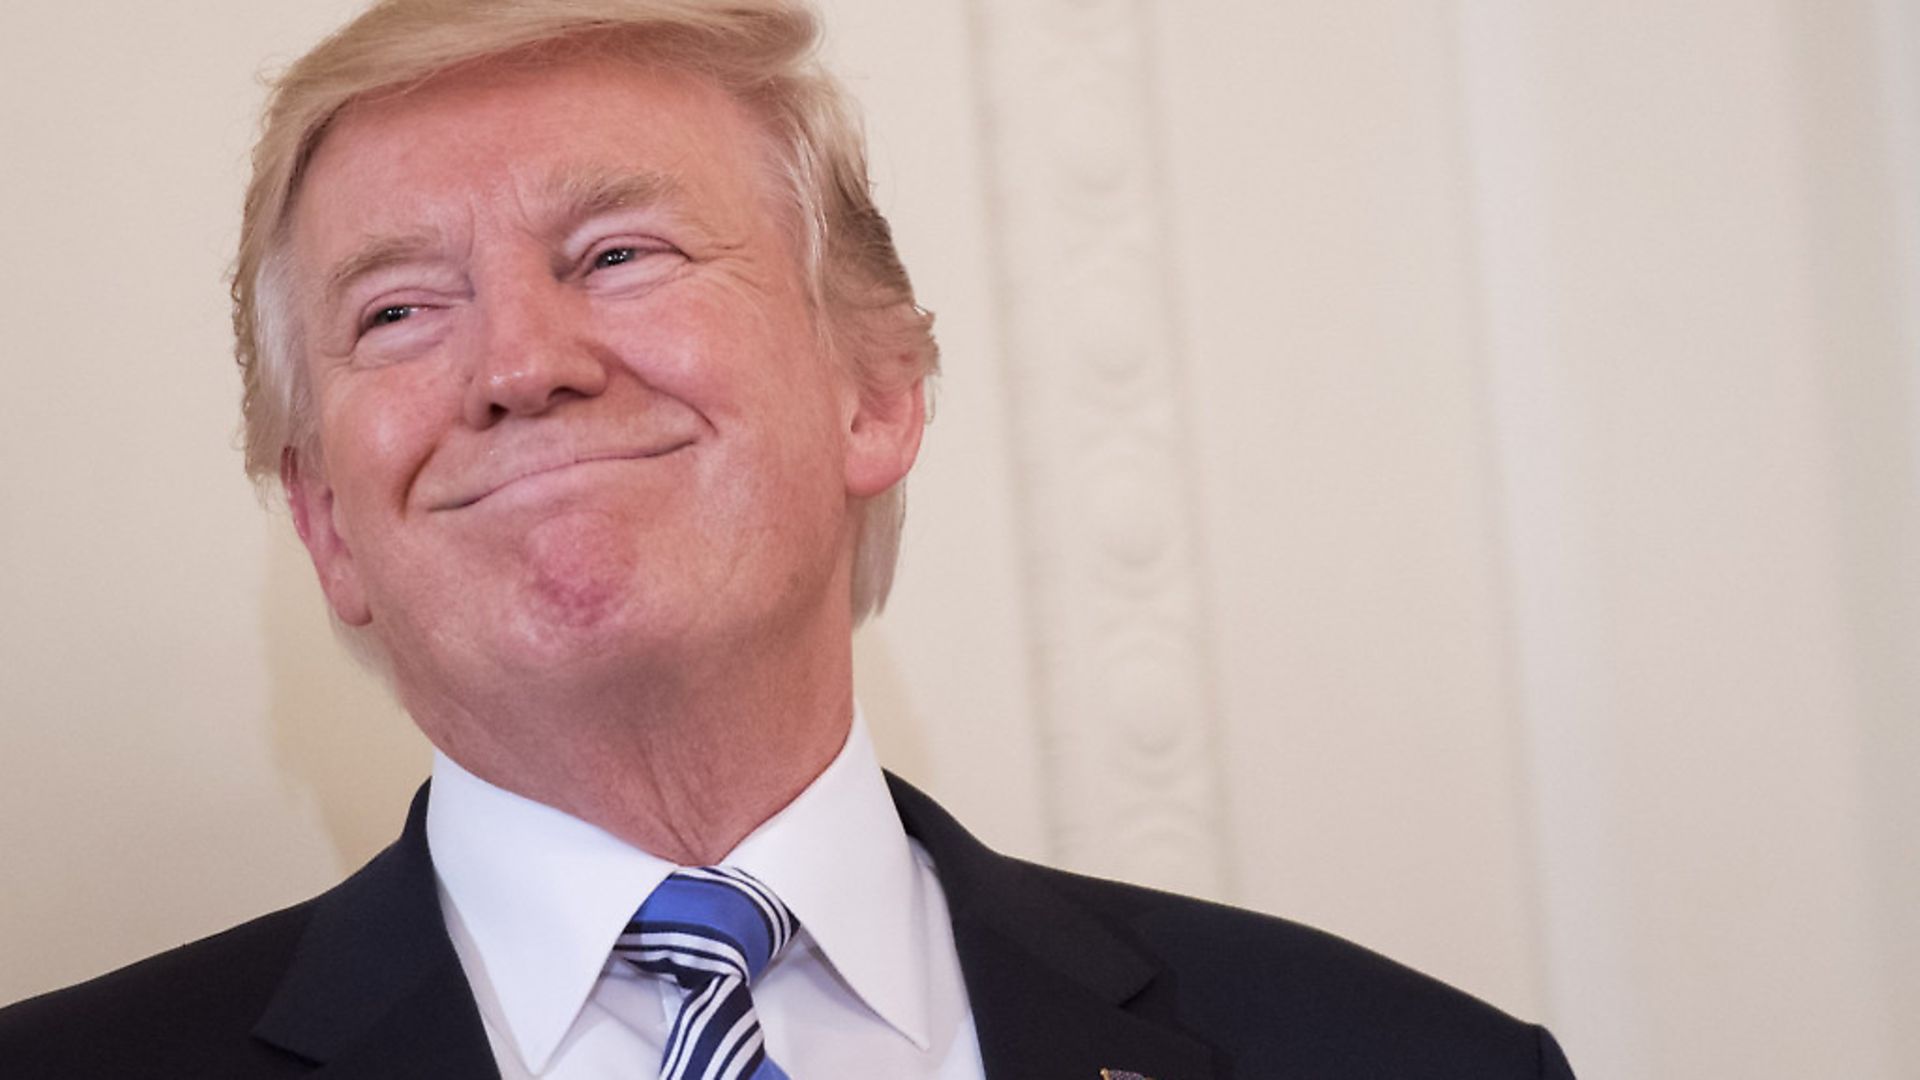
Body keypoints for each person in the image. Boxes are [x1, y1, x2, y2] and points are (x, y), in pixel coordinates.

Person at [0, 1, 1575, 1077]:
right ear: (327, 524)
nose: (519, 363)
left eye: (617, 251)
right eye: (399, 310)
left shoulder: (1403, 1058)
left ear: (874, 391)